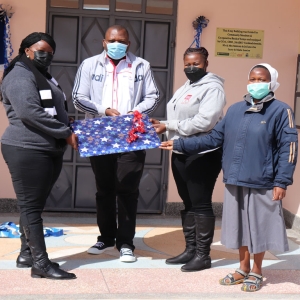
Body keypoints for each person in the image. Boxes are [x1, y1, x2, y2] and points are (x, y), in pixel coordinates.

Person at [160, 63, 298, 291]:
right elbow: (213, 138)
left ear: (272, 83)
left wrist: (282, 181)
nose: (256, 84)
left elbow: (289, 148)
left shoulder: (281, 111)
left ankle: (257, 270)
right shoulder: (235, 110)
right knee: (239, 227)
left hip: (262, 180)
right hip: (235, 179)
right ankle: (242, 268)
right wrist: (180, 143)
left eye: (261, 79)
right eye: (252, 79)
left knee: (259, 227)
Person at [72, 25, 159, 262]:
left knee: (128, 188)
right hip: (100, 132)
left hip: (131, 132)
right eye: (112, 40)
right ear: (103, 42)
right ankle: (106, 237)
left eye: (122, 40)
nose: (117, 43)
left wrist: (135, 112)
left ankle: (126, 242)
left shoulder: (141, 65)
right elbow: (78, 98)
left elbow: (153, 96)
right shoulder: (89, 65)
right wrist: (103, 110)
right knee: (105, 188)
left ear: (128, 44)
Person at [1, 32, 78, 280]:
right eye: (41, 50)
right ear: (26, 50)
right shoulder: (19, 75)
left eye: (51, 52)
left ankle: (27, 254)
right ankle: (41, 265)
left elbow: (52, 109)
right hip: (26, 148)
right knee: (31, 208)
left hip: (46, 148)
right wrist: (65, 132)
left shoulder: (42, 75)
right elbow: (29, 112)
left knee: (33, 206)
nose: (46, 56)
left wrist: (68, 126)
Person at [150, 47, 226, 272]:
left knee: (200, 203)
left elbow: (205, 122)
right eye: (187, 64)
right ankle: (190, 250)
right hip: (181, 151)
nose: (191, 68)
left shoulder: (213, 88)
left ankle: (203, 256)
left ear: (206, 64)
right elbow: (181, 116)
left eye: (196, 64)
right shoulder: (188, 86)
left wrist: (169, 126)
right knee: (188, 203)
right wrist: (161, 123)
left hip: (202, 154)